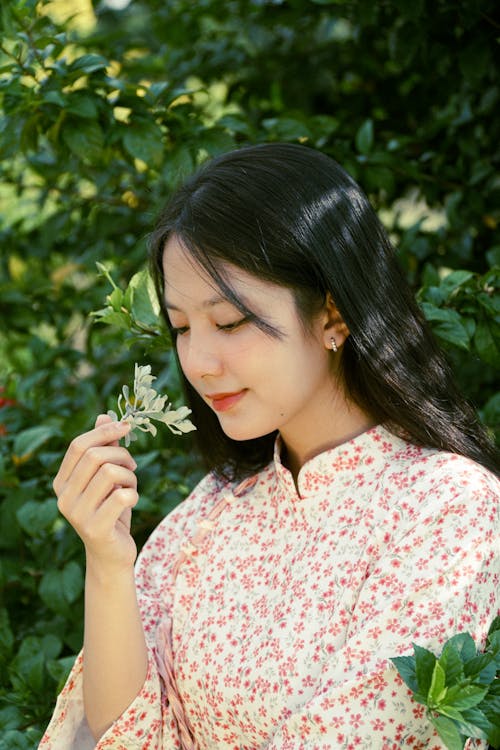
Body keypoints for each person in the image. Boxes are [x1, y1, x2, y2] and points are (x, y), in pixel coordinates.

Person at [40, 143, 499, 750]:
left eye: (229, 321)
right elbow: (124, 737)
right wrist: (107, 560)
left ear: (333, 313)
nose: (199, 363)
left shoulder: (450, 511)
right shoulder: (205, 518)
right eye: (181, 327)